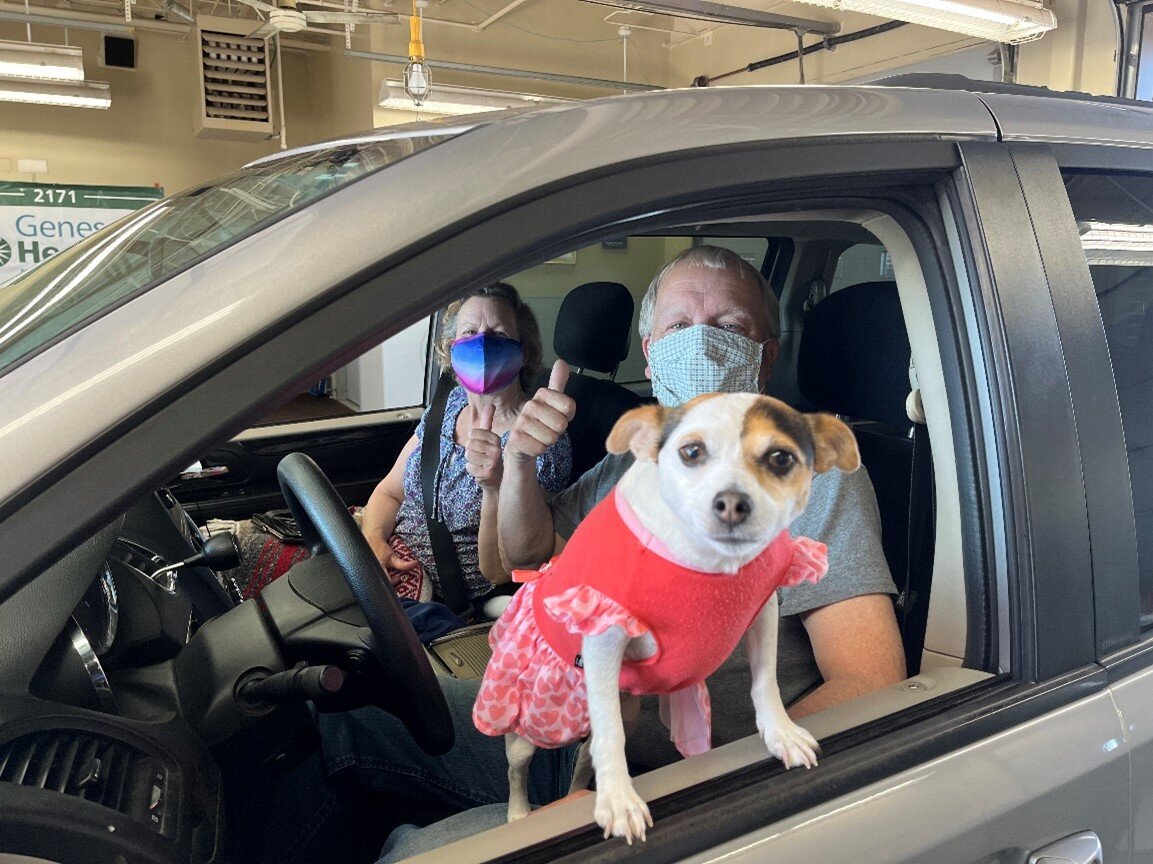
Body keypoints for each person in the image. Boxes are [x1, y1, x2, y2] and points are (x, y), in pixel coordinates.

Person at [262, 248, 905, 863]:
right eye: (681, 325)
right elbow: (529, 550)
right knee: (341, 717)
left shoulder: (808, 477)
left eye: (728, 325)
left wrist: (653, 798)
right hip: (575, 727)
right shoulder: (639, 456)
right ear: (652, 355)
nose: (703, 340)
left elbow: (869, 679)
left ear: (764, 358)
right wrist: (517, 463)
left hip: (674, 780)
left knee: (409, 853)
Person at [360, 282, 571, 617]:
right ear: (451, 348)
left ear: (524, 352)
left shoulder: (537, 438)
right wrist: (373, 542)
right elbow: (389, 491)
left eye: (499, 334)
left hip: (442, 604)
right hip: (385, 562)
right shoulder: (447, 406)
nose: (483, 343)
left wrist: (494, 483)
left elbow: (508, 568)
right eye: (470, 332)